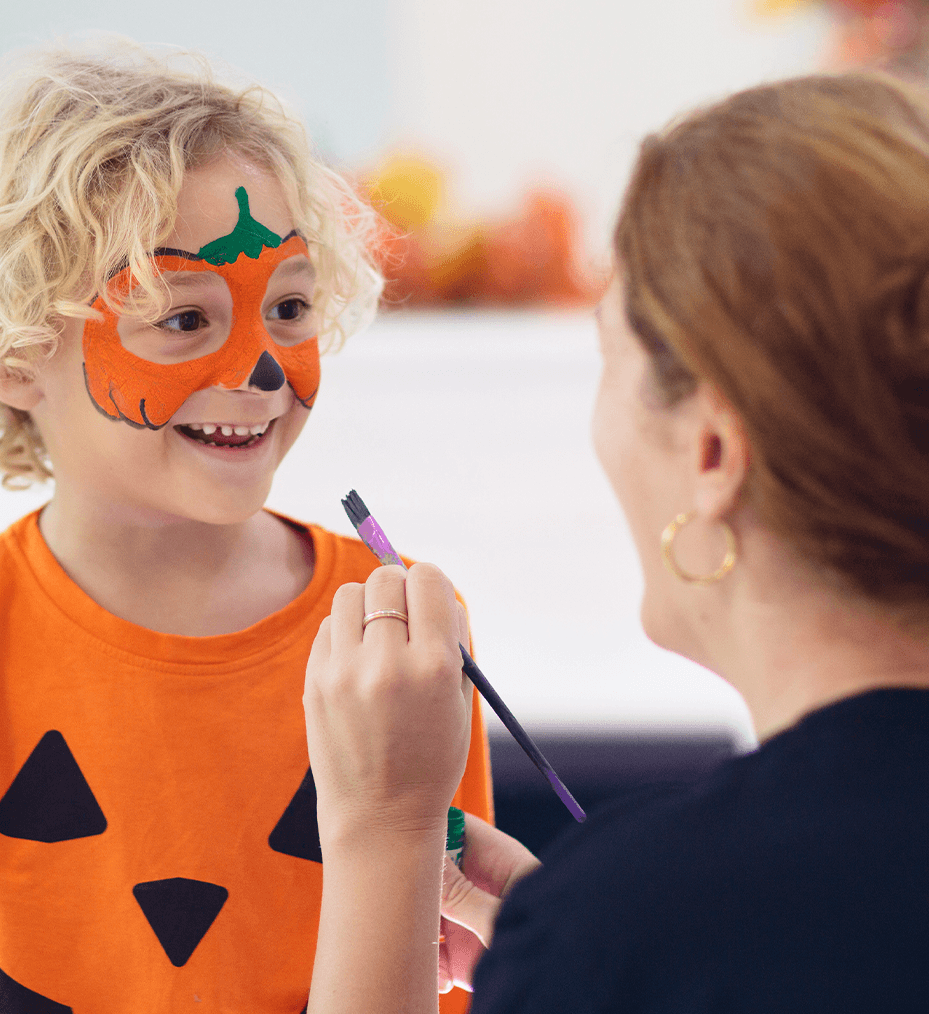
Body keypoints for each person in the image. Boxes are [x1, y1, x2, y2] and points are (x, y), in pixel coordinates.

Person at [0, 37, 493, 1014]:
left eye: (288, 308)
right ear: (17, 354)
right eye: (184, 320)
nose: (260, 369)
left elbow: (450, 974)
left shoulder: (386, 649)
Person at [303, 70, 929, 1013]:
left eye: (608, 359)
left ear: (714, 450)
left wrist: (383, 838)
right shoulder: (625, 923)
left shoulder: (635, 926)